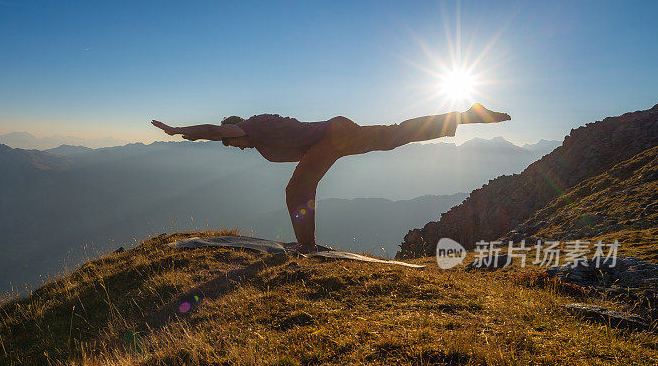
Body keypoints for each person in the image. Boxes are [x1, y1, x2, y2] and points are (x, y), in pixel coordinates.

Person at [152, 104, 510, 253]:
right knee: (396, 135)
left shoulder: (253, 126)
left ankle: (306, 248)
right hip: (337, 136)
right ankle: (465, 116)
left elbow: (216, 130)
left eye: (232, 142)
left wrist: (177, 130)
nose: (234, 146)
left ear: (236, 129)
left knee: (297, 188)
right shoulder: (259, 138)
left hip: (332, 137)